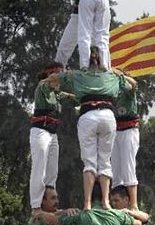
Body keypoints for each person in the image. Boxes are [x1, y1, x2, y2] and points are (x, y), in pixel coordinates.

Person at [48, 47, 135, 209]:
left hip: (88, 115)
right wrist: (119, 74)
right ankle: (106, 201)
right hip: (107, 116)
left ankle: (87, 202)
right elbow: (133, 85)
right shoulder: (111, 75)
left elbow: (52, 79)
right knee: (104, 162)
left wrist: (55, 79)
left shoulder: (77, 74)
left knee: (89, 162)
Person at [29, 62, 65, 210]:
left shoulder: (56, 93)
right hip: (41, 131)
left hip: (52, 133)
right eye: (58, 75)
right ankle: (36, 206)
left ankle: (50, 204)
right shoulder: (43, 85)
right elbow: (49, 83)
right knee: (39, 168)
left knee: (52, 171)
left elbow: (72, 98)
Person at [111, 75, 140, 209]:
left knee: (128, 166)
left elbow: (134, 84)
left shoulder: (128, 90)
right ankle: (117, 203)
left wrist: (119, 74)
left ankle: (133, 205)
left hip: (129, 130)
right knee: (115, 168)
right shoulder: (113, 93)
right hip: (116, 131)